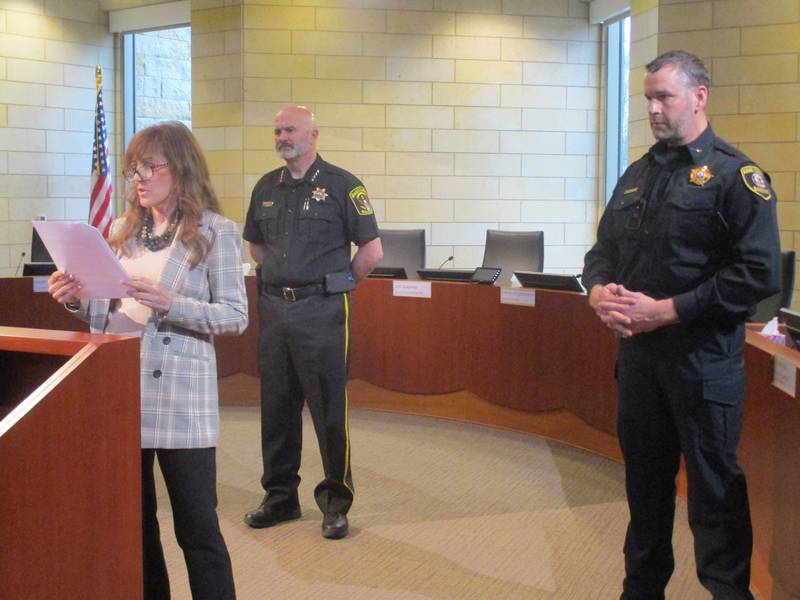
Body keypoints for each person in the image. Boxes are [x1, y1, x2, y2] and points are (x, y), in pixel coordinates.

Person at [583, 50, 780, 600]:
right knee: (644, 493)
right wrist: (598, 291)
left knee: (714, 496)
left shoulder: (736, 175)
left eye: (663, 97)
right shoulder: (636, 175)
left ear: (699, 96)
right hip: (641, 366)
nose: (652, 108)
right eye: (647, 97)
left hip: (702, 365)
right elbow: (602, 252)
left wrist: (669, 310)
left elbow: (760, 274)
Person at [47, 121, 247, 600]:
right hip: (120, 391)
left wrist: (171, 303)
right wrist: (74, 298)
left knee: (197, 527)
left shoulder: (217, 232)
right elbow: (105, 310)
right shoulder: (119, 231)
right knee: (135, 528)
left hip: (181, 400)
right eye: (134, 167)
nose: (138, 177)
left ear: (180, 170)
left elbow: (236, 316)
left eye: (150, 166)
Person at [242, 105, 383, 540]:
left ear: (313, 134)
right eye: (277, 130)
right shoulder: (266, 186)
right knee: (277, 409)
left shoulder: (343, 185)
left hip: (322, 310)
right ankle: (280, 497)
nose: (282, 136)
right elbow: (257, 248)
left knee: (327, 410)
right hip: (275, 310)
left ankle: (335, 503)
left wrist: (335, 285)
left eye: (290, 129)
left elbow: (371, 252)